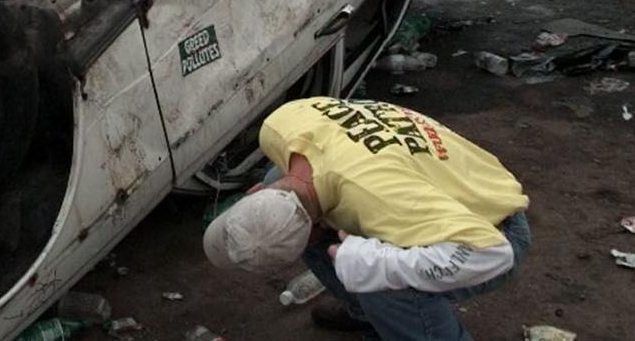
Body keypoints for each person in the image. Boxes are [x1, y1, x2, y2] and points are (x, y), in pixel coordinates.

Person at [204, 97, 531, 340]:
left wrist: (381, 264)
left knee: (382, 284)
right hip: (426, 176)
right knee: (279, 175)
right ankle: (372, 318)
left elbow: (493, 253)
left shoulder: (380, 198)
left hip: (494, 224)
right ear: (255, 193)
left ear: (254, 191)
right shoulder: (279, 126)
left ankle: (394, 315)